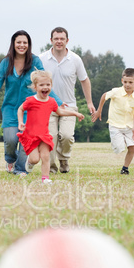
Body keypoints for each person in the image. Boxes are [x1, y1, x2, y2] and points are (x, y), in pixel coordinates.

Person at [0, 30, 62, 176]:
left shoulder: (35, 61)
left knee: (26, 142)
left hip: (30, 109)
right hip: (10, 108)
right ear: (13, 44)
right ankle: (10, 160)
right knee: (10, 139)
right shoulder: (6, 63)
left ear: (29, 45)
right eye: (19, 42)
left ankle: (21, 169)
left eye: (25, 42)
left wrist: (58, 101)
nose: (22, 45)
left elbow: (44, 81)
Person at [39, 27, 95, 174]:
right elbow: (33, 81)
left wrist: (89, 102)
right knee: (49, 137)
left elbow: (85, 80)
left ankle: (63, 160)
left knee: (66, 136)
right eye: (56, 39)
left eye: (62, 39)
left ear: (67, 41)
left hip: (69, 106)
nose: (59, 41)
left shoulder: (75, 59)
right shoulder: (42, 59)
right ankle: (51, 168)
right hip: (47, 106)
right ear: (51, 40)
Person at [17, 70, 84, 184]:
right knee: (35, 159)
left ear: (51, 86)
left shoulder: (52, 102)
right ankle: (30, 162)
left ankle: (45, 178)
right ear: (35, 87)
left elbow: (61, 112)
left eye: (48, 84)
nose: (45, 87)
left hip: (44, 135)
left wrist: (75, 113)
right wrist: (20, 122)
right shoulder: (31, 101)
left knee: (45, 156)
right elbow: (20, 109)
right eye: (41, 85)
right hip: (31, 134)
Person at [92, 68, 134, 174]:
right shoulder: (116, 92)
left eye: (130, 82)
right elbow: (104, 96)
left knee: (132, 147)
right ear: (122, 81)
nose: (127, 85)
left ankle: (125, 169)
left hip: (129, 126)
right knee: (119, 148)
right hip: (115, 125)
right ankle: (119, 142)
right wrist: (99, 111)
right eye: (125, 82)